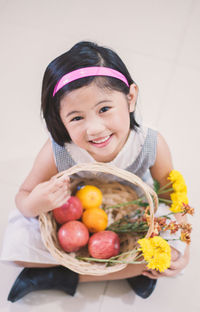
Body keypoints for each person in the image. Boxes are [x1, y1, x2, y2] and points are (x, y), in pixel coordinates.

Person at [1, 41, 189, 302]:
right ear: (60, 120)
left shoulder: (150, 144)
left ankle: (60, 275)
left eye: (104, 109)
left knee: (169, 258)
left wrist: (182, 245)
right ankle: (128, 272)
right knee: (16, 247)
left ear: (130, 98)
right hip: (75, 212)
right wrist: (35, 203)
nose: (95, 129)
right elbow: (23, 196)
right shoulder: (59, 151)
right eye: (77, 118)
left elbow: (172, 197)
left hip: (134, 211)